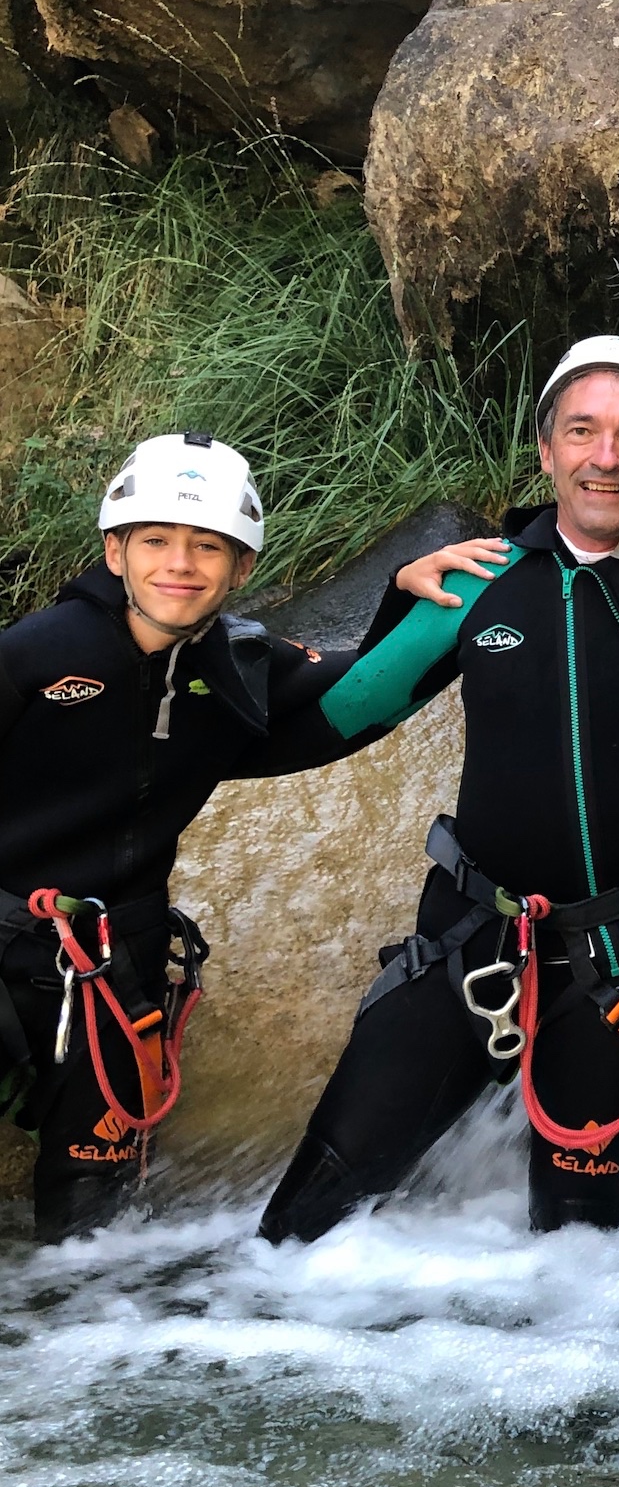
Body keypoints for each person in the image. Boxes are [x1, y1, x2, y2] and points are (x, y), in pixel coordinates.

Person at [259, 336, 619, 1242]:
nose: (605, 458)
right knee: (300, 1233)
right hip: (464, 944)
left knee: (577, 1267)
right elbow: (338, 715)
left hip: (617, 963)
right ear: (546, 449)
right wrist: (169, 701)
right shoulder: (477, 582)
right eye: (583, 431)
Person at [0, 434, 388, 1239]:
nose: (180, 563)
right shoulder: (35, 654)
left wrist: (415, 600)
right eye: (155, 541)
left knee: (88, 1233)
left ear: (241, 567)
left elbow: (358, 694)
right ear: (114, 551)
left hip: (118, 963)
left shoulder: (244, 668)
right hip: (5, 936)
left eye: (208, 546)